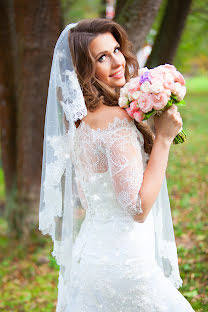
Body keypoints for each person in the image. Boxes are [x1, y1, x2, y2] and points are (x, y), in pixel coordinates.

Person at [39, 18, 195, 312]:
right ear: (84, 70)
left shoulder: (79, 121)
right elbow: (137, 209)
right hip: (124, 265)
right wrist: (162, 138)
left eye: (115, 50)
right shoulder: (115, 121)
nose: (116, 62)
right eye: (101, 57)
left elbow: (89, 197)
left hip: (90, 256)